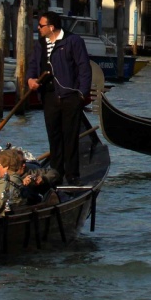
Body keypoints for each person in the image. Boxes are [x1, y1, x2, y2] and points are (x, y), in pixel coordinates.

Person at [26, 12, 92, 185]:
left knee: (70, 137)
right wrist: (30, 79)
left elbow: (84, 68)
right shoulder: (41, 43)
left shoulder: (73, 41)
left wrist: (81, 94)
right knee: (54, 137)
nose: (38, 29)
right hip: (49, 96)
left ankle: (72, 175)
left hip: (71, 97)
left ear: (51, 27)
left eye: (41, 26)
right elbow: (33, 64)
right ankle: (56, 173)